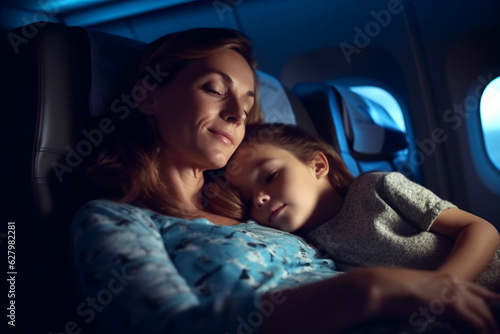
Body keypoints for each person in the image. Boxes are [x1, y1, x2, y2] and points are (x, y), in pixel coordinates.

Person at [71, 27, 500, 334]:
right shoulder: (115, 220)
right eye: (215, 89)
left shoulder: (264, 219)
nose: (238, 114)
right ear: (148, 95)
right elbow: (168, 325)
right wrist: (369, 290)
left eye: (247, 101)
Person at [227, 122, 500, 292]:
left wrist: (444, 286)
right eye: (248, 199)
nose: (260, 199)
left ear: (318, 165)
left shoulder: (376, 187)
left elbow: (480, 229)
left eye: (271, 176)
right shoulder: (308, 249)